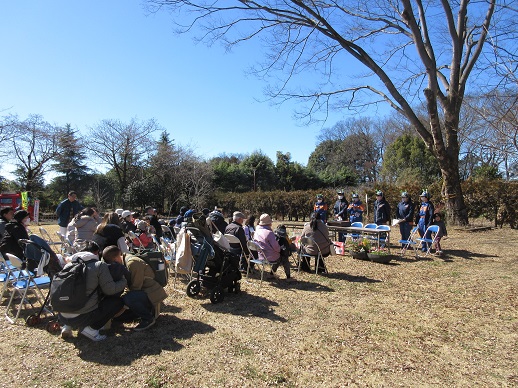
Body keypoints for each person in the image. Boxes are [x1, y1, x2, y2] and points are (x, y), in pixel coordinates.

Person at [58, 241, 127, 341]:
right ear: (96, 253)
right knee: (116, 302)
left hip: (63, 315)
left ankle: (67, 326)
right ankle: (91, 329)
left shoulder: (68, 265)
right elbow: (110, 290)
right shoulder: (98, 266)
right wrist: (123, 281)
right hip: (82, 316)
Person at [123, 247, 168, 331]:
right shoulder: (129, 260)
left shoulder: (132, 263)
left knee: (128, 298)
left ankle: (148, 319)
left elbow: (136, 287)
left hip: (151, 293)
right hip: (148, 292)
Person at [253, 213, 294, 282]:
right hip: (269, 257)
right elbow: (276, 248)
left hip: (259, 256)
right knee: (283, 257)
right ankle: (288, 277)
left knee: (278, 256)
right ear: (269, 223)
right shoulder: (269, 233)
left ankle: (271, 274)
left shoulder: (256, 231)